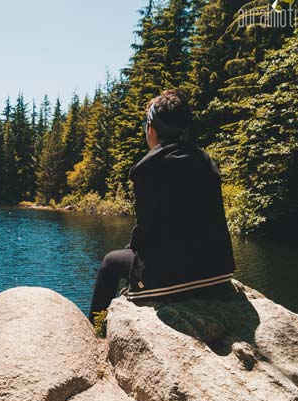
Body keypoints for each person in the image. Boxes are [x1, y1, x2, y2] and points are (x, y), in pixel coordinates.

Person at [89, 90, 235, 319]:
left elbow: (146, 229)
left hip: (172, 281)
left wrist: (133, 249)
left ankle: (96, 333)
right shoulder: (205, 160)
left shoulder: (149, 167)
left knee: (110, 262)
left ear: (152, 128)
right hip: (219, 273)